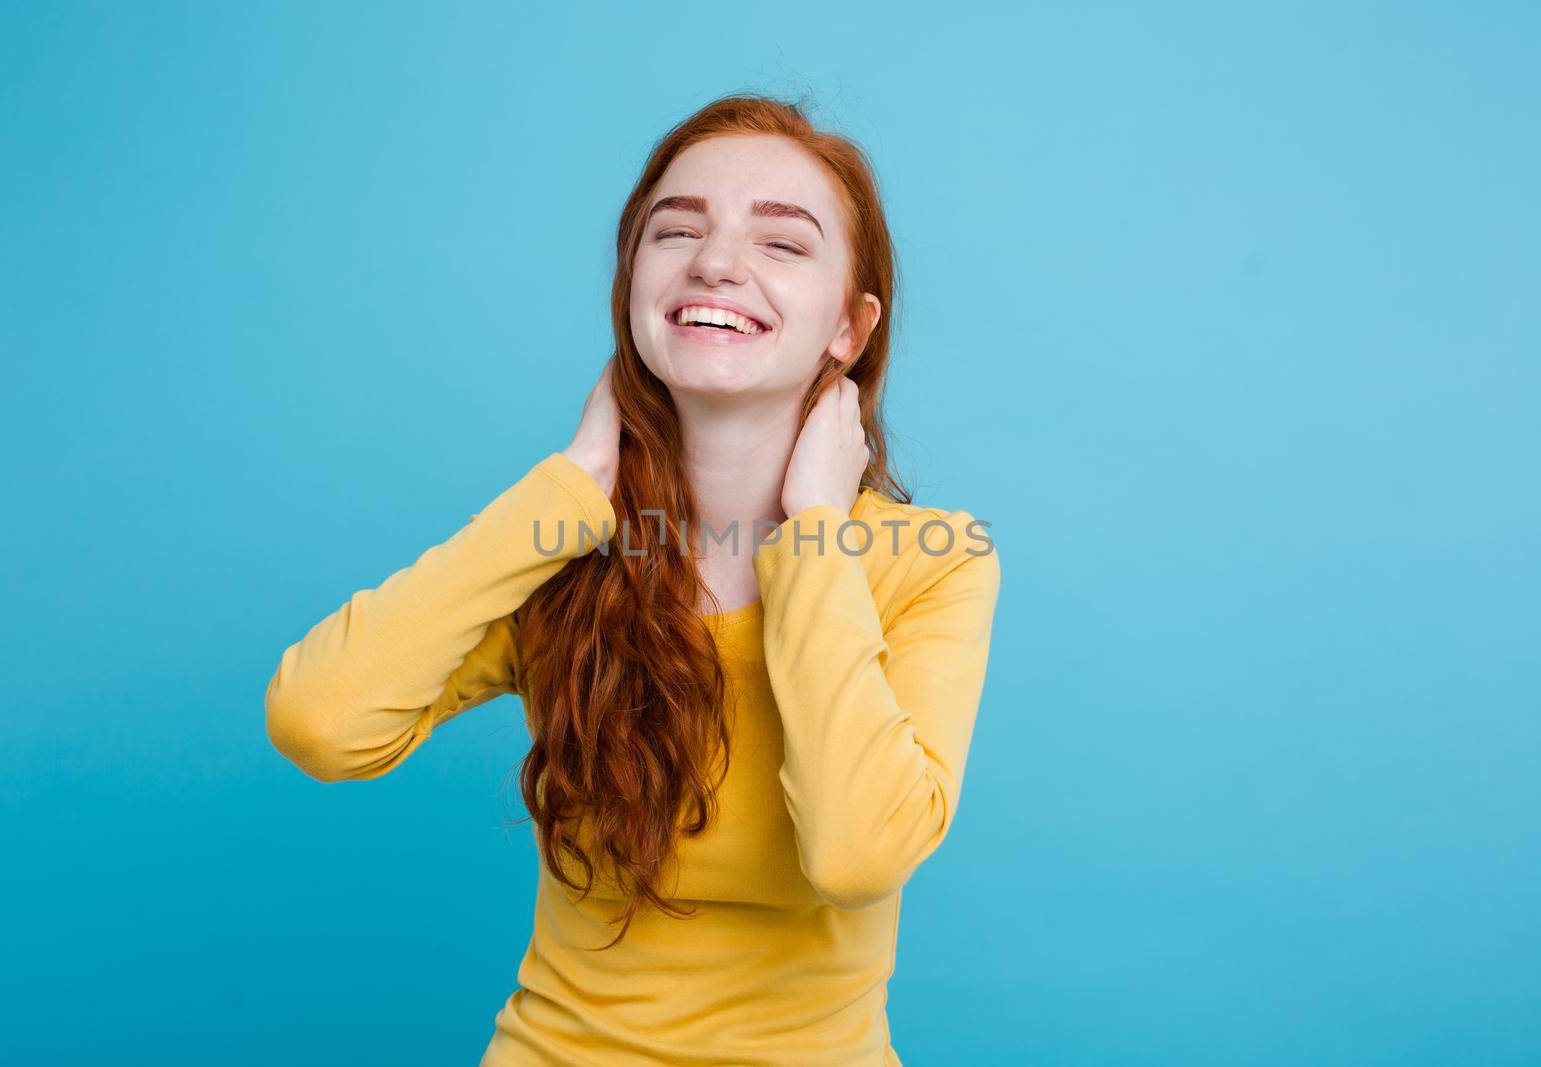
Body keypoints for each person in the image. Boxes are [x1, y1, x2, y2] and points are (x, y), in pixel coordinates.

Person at [265, 92, 1002, 1067]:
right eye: (676, 230)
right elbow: (321, 720)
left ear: (849, 329)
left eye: (781, 244)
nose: (715, 261)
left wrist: (817, 531)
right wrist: (564, 492)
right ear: (632, 286)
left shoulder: (933, 561)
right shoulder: (559, 546)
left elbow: (856, 855)